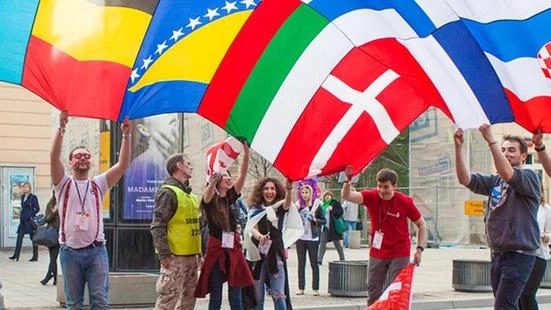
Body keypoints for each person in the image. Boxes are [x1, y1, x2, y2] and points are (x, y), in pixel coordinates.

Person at [50, 111, 131, 308]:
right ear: (70, 163)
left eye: (86, 156)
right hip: (70, 253)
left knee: (100, 301)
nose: (83, 159)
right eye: (78, 156)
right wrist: (61, 129)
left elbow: (123, 165)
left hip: (96, 251)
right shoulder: (63, 184)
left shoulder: (98, 184)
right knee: (74, 303)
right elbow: (53, 158)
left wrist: (126, 135)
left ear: (92, 161)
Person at [454, 125, 540, 309]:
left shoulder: (529, 177)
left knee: (503, 306)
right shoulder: (495, 181)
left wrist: (491, 140)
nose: (506, 153)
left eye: (511, 150)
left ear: (523, 156)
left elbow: (508, 173)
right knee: (507, 305)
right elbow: (465, 179)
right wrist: (458, 147)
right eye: (503, 150)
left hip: (519, 255)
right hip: (497, 254)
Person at [341, 166, 427, 306]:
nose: (382, 190)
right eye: (379, 186)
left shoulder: (405, 202)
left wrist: (419, 249)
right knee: (373, 290)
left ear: (394, 186)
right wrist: (348, 180)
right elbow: (347, 196)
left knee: (396, 292)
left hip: (400, 252)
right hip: (378, 251)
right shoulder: (371, 196)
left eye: (386, 187)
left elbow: (422, 225)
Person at [195, 144, 254, 310]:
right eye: (225, 176)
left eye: (229, 176)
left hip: (233, 250)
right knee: (216, 297)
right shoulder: (211, 201)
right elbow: (206, 197)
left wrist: (246, 153)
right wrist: (212, 180)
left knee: (235, 297)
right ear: (217, 181)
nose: (229, 178)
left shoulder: (231, 198)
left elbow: (242, 175)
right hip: (216, 251)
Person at [150, 153, 202, 309]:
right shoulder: (168, 192)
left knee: (188, 301)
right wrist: (164, 254)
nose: (191, 166)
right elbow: (157, 225)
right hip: (174, 258)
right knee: (168, 301)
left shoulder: (190, 195)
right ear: (179, 166)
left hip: (191, 257)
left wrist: (198, 253)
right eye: (188, 163)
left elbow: (194, 226)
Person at [243, 177, 299, 310]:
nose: (269, 191)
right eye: (266, 188)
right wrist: (260, 237)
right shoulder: (254, 209)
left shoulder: (280, 208)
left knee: (279, 295)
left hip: (276, 255)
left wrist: (289, 188)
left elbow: (287, 203)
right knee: (257, 297)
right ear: (261, 191)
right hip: (258, 256)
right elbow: (252, 228)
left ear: (277, 191)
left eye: (272, 188)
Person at [124, 113, 180, 220]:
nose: (173, 116)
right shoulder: (140, 167)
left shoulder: (167, 163)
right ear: (144, 130)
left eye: (173, 112)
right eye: (162, 112)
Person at [519, 187, 551, 310]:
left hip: (539, 255)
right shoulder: (523, 207)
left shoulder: (546, 210)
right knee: (519, 294)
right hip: (522, 255)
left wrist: (546, 237)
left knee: (527, 293)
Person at [294, 182, 323, 296]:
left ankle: (315, 288)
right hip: (300, 238)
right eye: (303, 192)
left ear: (311, 193)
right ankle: (301, 287)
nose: (305, 195)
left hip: (312, 238)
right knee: (301, 263)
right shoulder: (298, 205)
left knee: (314, 263)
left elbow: (323, 221)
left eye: (307, 192)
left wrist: (315, 219)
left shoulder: (316, 205)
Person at [9, 182, 40, 262]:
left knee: (33, 238)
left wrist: (30, 215)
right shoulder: (23, 197)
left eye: (27, 187)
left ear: (30, 188)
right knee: (19, 237)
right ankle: (16, 255)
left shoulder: (33, 197)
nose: (25, 188)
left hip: (29, 221)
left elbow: (37, 208)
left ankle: (35, 256)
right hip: (23, 221)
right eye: (24, 187)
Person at [317, 191, 345, 265]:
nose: (327, 197)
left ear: (331, 196)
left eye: (329, 195)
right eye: (326, 196)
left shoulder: (335, 203)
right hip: (325, 227)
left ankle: (342, 259)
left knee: (337, 244)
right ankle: (319, 260)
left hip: (333, 228)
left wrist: (333, 209)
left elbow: (341, 212)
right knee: (322, 243)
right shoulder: (322, 205)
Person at [41, 191, 60, 285]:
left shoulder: (65, 203)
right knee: (52, 258)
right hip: (51, 234)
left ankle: (48, 276)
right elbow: (46, 219)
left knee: (54, 257)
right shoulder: (50, 204)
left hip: (60, 235)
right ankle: (55, 279)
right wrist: (54, 211)